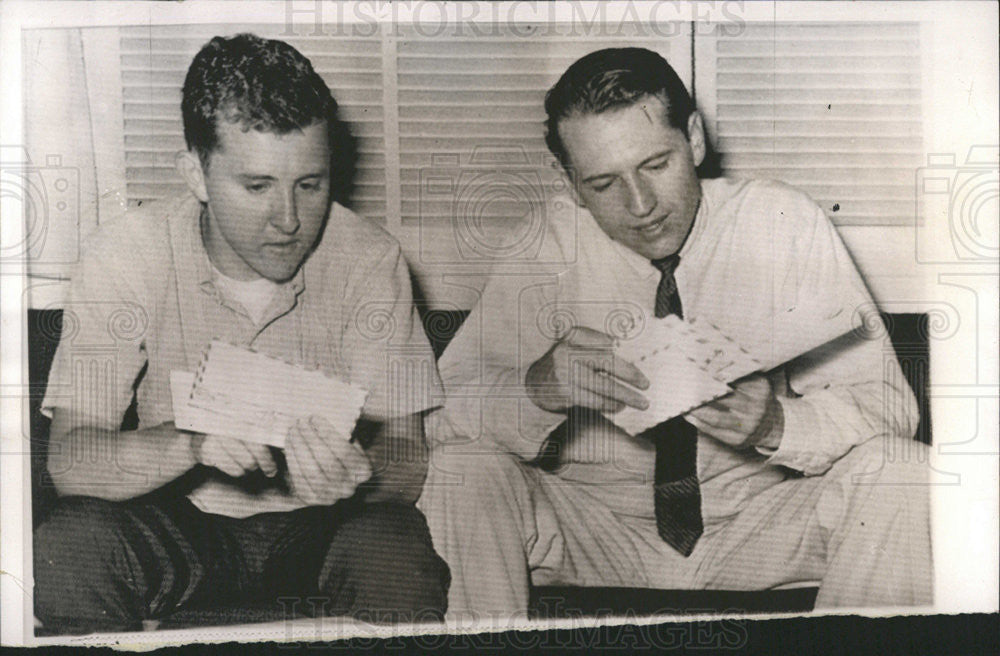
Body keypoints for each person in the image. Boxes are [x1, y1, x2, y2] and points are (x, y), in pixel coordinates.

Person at [419, 47, 932, 621]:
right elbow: (441, 418)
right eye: (603, 183)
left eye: (656, 165)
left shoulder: (780, 222)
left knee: (903, 475)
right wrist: (536, 390)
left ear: (694, 138)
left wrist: (778, 424)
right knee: (463, 470)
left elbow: (890, 408)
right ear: (568, 181)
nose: (640, 206)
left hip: (758, 524)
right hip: (594, 528)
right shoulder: (543, 247)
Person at [34, 33, 449, 634]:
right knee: (70, 543)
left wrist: (362, 474)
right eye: (256, 187)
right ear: (197, 175)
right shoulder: (125, 252)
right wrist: (189, 443)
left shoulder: (369, 257)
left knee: (394, 545)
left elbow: (408, 456)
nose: (288, 220)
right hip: (179, 519)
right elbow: (70, 462)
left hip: (322, 526)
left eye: (310, 184)